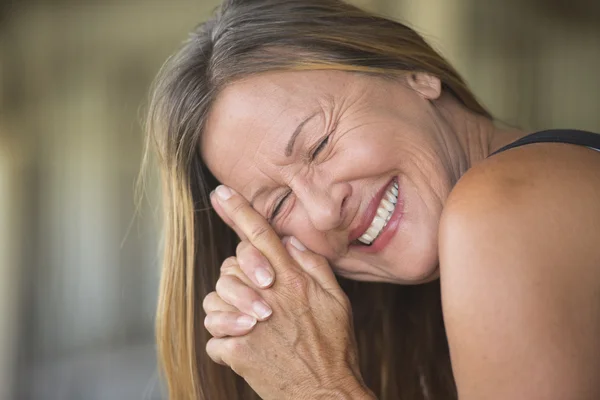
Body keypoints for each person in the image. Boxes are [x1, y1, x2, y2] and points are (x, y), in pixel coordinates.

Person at [143, 0, 600, 399]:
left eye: (320, 145)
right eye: (278, 206)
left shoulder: (499, 209)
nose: (324, 212)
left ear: (416, 75)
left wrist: (318, 390)